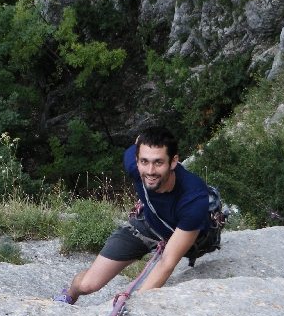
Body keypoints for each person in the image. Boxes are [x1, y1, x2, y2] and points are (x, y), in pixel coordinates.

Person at [55, 126, 212, 304]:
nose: (150, 171)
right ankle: (70, 294)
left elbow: (167, 262)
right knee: (86, 285)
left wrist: (135, 303)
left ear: (173, 162)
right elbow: (137, 142)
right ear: (137, 159)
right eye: (144, 161)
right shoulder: (134, 166)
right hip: (146, 225)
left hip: (182, 235)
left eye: (158, 162)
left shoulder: (193, 197)